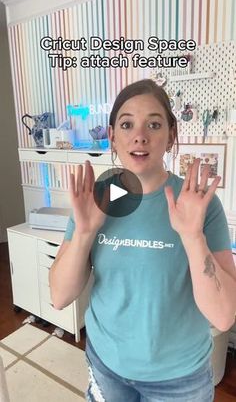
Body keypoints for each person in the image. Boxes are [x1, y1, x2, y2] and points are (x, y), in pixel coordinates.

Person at [49, 79, 236, 402]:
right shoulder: (98, 198)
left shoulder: (199, 203)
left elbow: (223, 316)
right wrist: (83, 232)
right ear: (112, 136)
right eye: (126, 124)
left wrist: (192, 237)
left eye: (154, 123)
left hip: (180, 377)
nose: (140, 135)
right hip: (107, 364)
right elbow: (59, 297)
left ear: (171, 135)